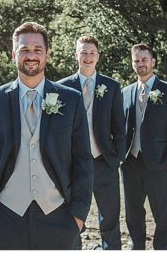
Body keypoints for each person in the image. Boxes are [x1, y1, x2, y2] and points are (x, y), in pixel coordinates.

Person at [0, 22, 92, 250]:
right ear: (14, 54)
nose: (31, 55)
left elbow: (83, 161)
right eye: (24, 49)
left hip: (60, 217)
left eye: (37, 50)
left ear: (47, 54)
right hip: (5, 217)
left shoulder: (72, 99)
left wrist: (78, 216)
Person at [57, 36, 126, 249]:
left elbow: (119, 126)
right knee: (73, 215)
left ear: (98, 56)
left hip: (104, 160)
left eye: (91, 53)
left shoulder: (112, 86)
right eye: (83, 53)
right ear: (76, 55)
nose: (87, 57)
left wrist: (117, 157)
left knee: (110, 215)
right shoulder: (61, 87)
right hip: (73, 164)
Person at [121, 43, 167, 250]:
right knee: (133, 212)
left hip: (159, 163)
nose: (140, 64)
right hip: (131, 162)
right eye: (136, 61)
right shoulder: (125, 92)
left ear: (153, 62)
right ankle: (136, 248)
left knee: (163, 214)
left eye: (144, 60)